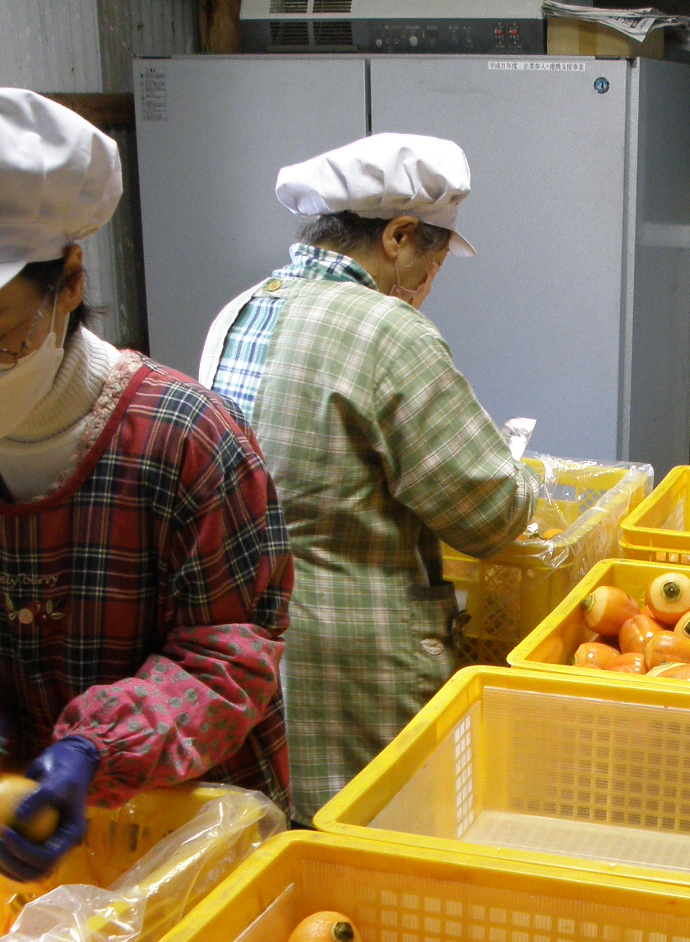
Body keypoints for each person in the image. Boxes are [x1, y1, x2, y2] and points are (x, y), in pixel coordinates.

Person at [0, 87, 292, 879]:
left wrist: (96, 748)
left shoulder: (187, 440)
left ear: (68, 282)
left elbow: (229, 650)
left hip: (182, 818)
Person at [199, 133, 536, 823]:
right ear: (400, 235)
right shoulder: (388, 332)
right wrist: (524, 480)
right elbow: (491, 516)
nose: (429, 284)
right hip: (356, 672)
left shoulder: (238, 310)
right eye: (433, 259)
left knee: (279, 854)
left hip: (250, 658)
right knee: (375, 851)